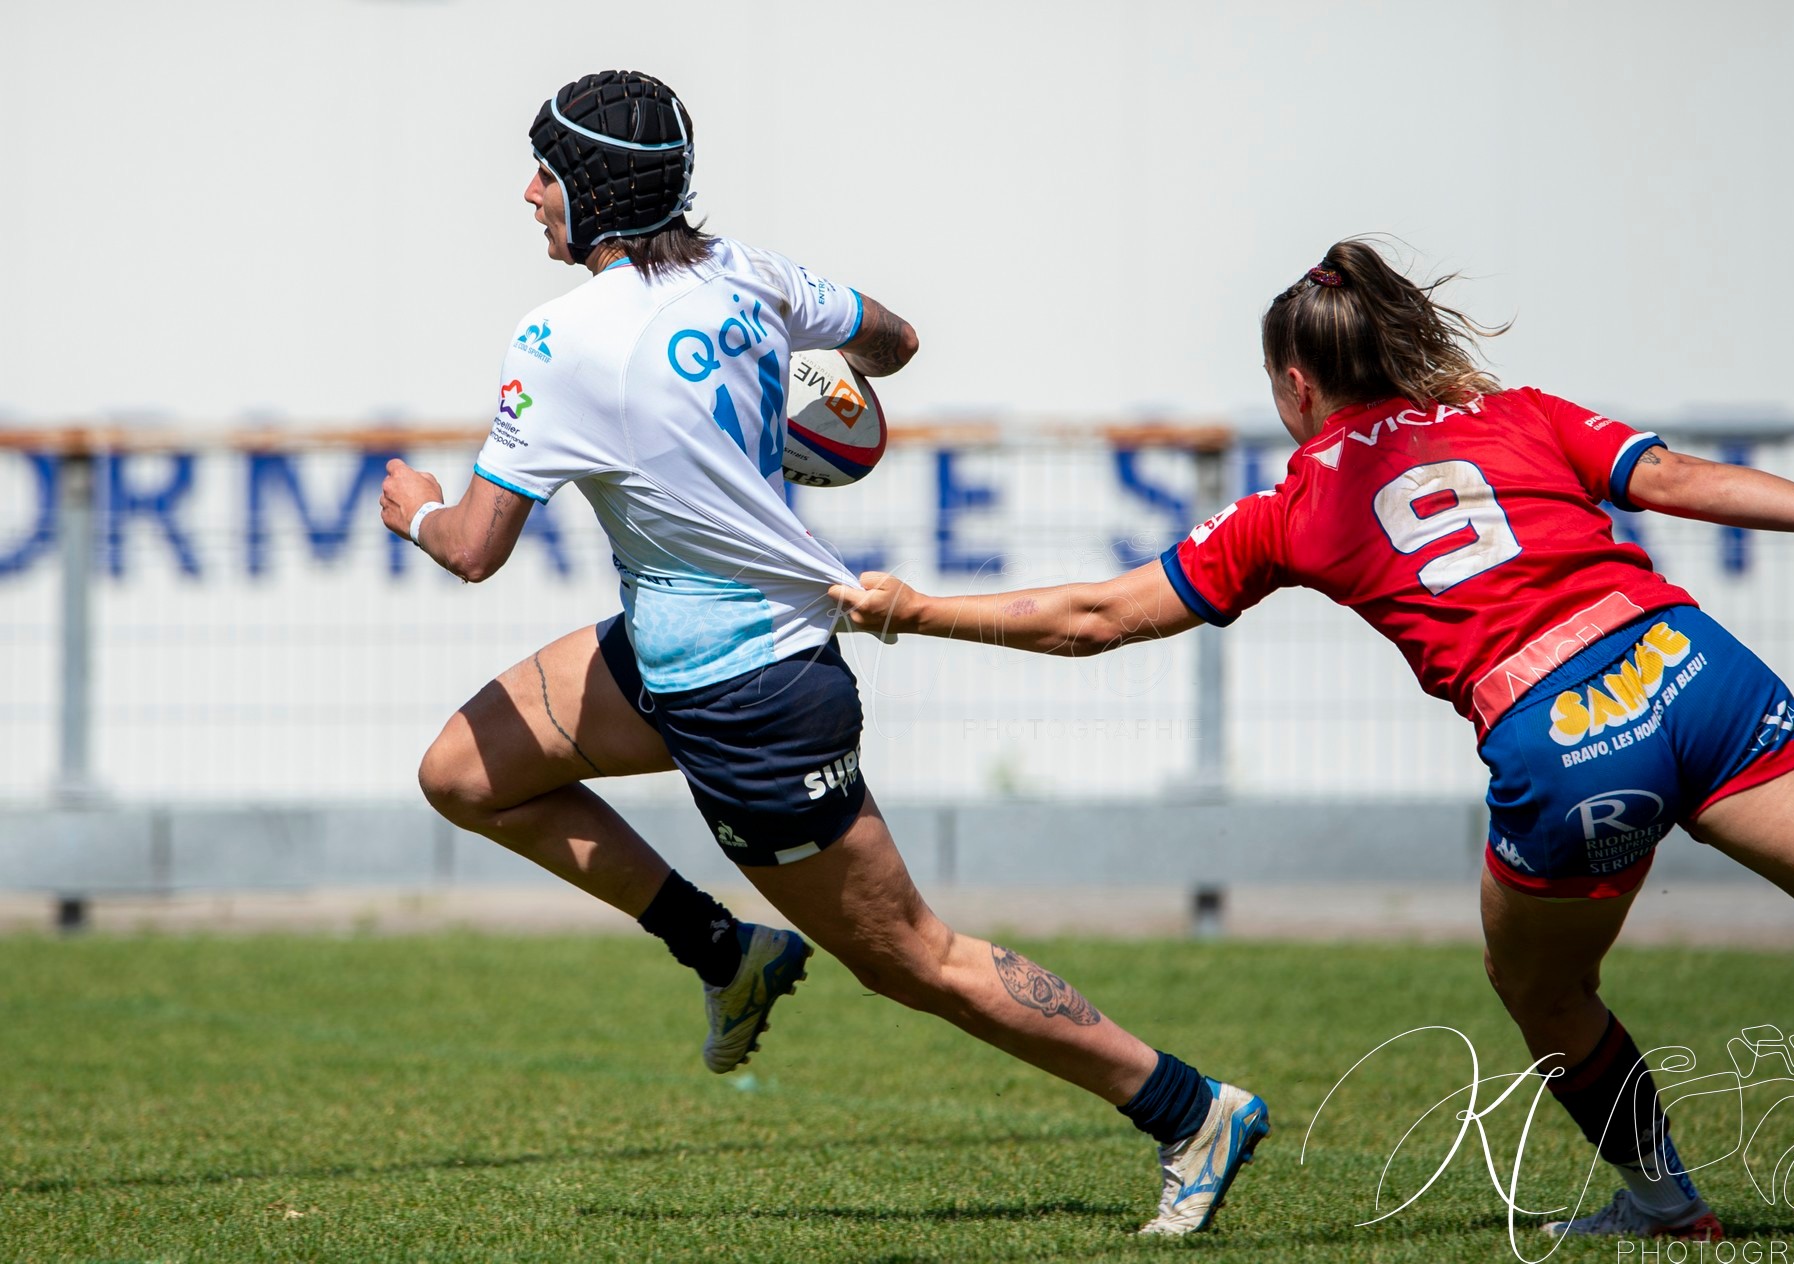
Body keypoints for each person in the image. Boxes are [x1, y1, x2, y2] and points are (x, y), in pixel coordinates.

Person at [831, 238, 1794, 1243]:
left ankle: (1668, 1208)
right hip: (1688, 664)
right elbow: (1674, 479)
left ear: (1296, 384)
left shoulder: (1300, 499)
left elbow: (1098, 617)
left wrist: (914, 611)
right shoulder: (1515, 413)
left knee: (1539, 987)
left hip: (1565, 737)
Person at [377, 70, 1268, 1236]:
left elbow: (476, 550)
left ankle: (1185, 1106)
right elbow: (893, 340)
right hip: (667, 654)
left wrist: (414, 510)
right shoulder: (747, 272)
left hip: (752, 697)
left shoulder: (556, 341)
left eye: (546, 170)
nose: (529, 192)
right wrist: (802, 387)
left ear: (591, 189)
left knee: (911, 959)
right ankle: (722, 948)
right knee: (463, 772)